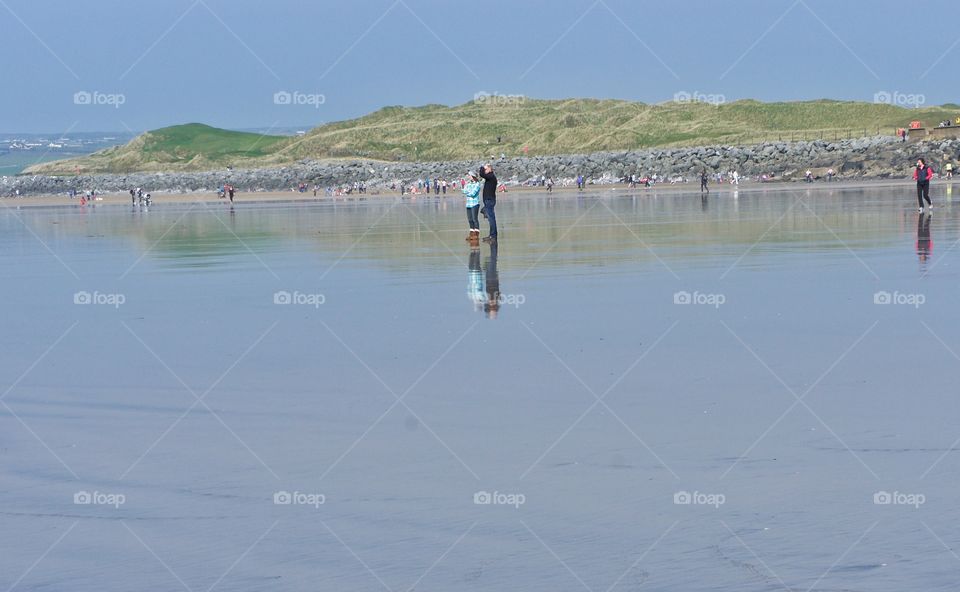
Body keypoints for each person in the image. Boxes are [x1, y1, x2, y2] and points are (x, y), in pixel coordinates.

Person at [478, 164, 498, 242]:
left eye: (486, 169)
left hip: (490, 200)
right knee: (489, 216)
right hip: (488, 200)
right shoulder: (489, 177)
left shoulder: (491, 176)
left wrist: (482, 167)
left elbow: (481, 174)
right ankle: (492, 235)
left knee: (491, 219)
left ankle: (493, 236)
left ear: (490, 169)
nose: (485, 171)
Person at [462, 171, 482, 240]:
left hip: (475, 204)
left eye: (469, 175)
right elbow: (463, 191)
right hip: (468, 204)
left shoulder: (477, 184)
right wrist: (467, 191)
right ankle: (471, 234)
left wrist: (468, 192)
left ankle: (476, 234)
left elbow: (473, 193)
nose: (468, 177)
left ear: (473, 176)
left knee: (474, 219)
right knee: (470, 220)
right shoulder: (468, 183)